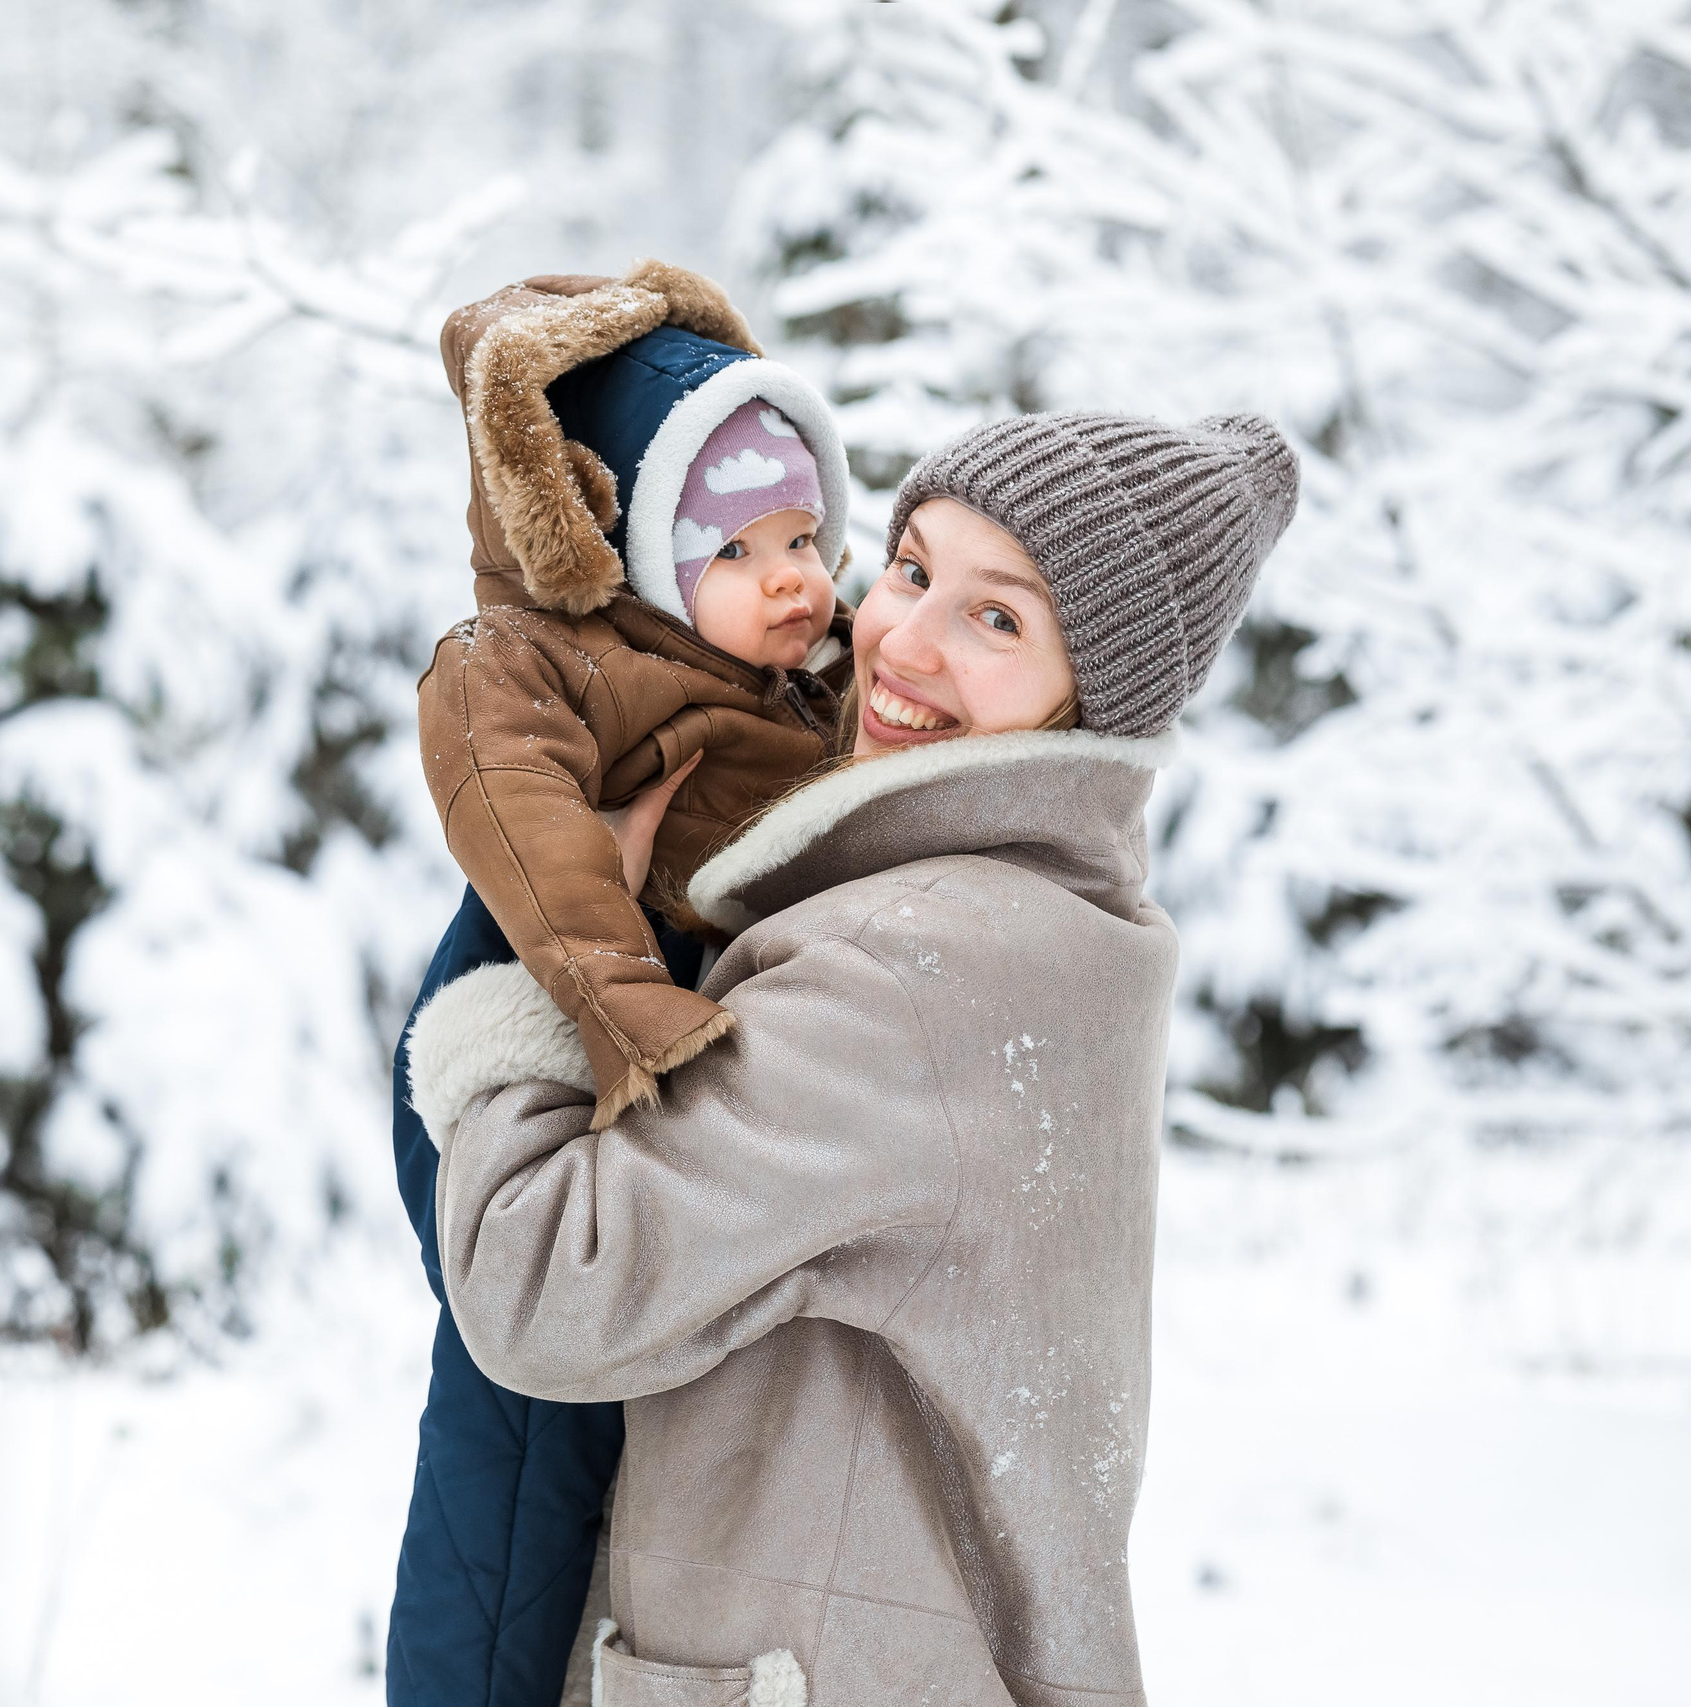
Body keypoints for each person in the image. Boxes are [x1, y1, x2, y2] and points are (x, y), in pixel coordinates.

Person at [406, 409, 1300, 1705]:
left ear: (1090, 697)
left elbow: (542, 1284)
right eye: (912, 567)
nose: (904, 641)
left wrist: (548, 960)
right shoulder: (1068, 929)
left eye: (998, 619)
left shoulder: (912, 964)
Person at [386, 261, 855, 1707]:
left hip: (675, 1017)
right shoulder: (537, 662)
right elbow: (524, 821)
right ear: (634, 551)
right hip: (555, 1002)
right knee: (515, 1440)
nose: (796, 578)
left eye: (806, 536)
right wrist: (625, 994)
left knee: (624, 1420)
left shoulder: (807, 671)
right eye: (740, 550)